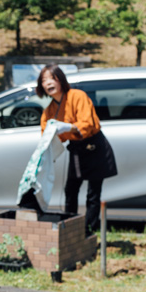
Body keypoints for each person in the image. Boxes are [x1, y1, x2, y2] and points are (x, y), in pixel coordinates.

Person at [37, 64, 117, 234]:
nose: (48, 82)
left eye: (52, 78)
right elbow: (47, 136)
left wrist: (67, 128)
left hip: (95, 146)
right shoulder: (48, 111)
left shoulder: (78, 96)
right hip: (76, 149)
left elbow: (87, 124)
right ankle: (70, 228)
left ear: (61, 80)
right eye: (44, 80)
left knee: (93, 195)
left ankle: (89, 230)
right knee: (70, 191)